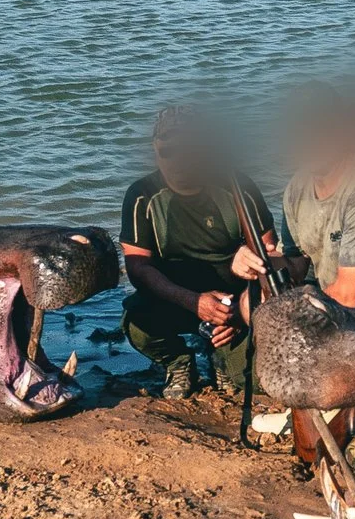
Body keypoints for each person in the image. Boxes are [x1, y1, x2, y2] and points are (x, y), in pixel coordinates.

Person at [119, 105, 282, 399]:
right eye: (168, 153)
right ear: (155, 150)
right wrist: (193, 302)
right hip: (177, 298)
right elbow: (138, 269)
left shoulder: (238, 187)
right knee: (136, 322)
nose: (177, 162)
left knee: (255, 384)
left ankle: (222, 359)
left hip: (235, 305)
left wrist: (241, 314)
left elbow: (270, 261)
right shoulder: (141, 196)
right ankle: (179, 362)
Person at [276, 82, 355, 310]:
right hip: (327, 304)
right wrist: (258, 263)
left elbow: (349, 297)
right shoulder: (296, 187)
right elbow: (296, 265)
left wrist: (286, 313)